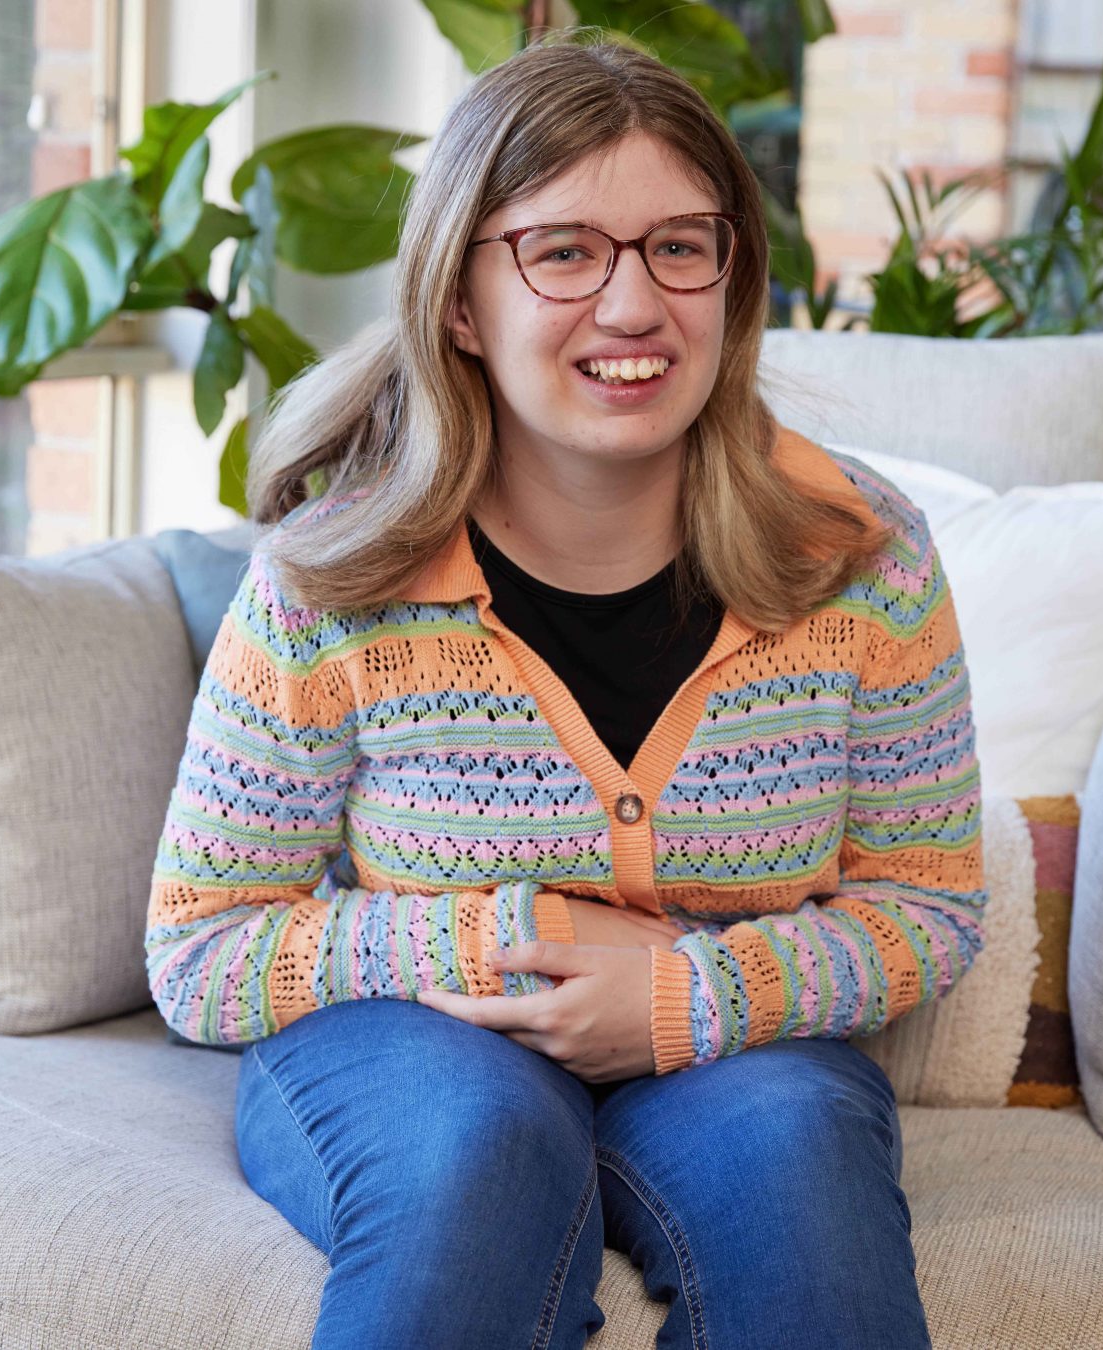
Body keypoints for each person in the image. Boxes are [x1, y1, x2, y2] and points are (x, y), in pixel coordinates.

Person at [144, 31, 986, 1350]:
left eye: (679, 245)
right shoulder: (334, 579)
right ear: (462, 301)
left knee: (810, 1205)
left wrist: (689, 995)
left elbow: (927, 904)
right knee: (479, 1154)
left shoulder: (860, 558)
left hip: (737, 1048)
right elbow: (198, 947)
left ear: (732, 277)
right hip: (416, 1043)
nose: (636, 304)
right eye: (565, 250)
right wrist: (509, 939)